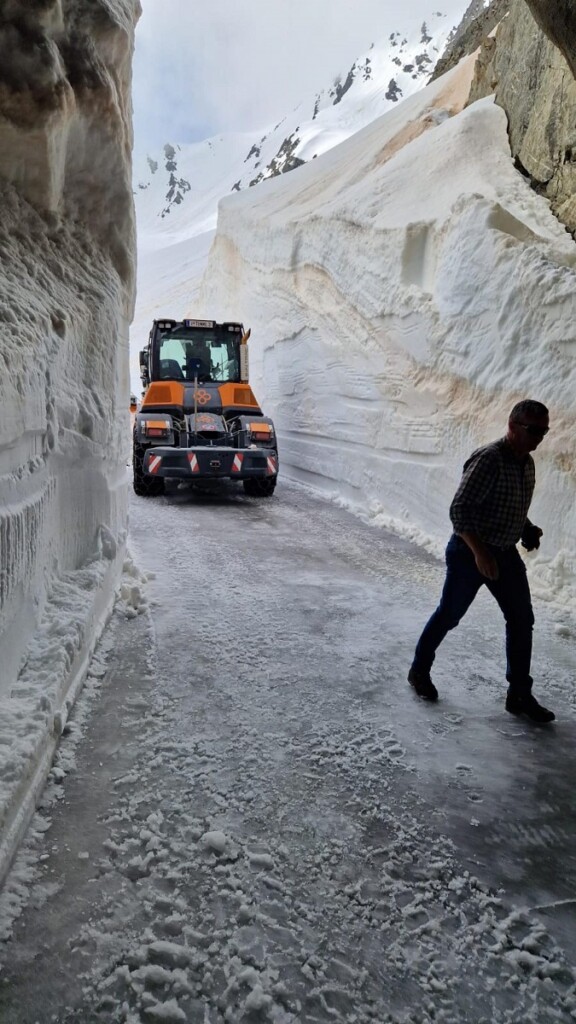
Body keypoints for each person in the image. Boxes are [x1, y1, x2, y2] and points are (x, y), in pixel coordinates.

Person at [408, 400, 554, 723]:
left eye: (544, 431)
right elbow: (459, 510)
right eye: (534, 430)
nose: (540, 438)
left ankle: (519, 694)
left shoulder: (526, 463)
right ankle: (419, 670)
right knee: (449, 614)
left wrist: (526, 529)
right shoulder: (489, 459)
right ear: (512, 426)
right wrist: (480, 553)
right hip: (468, 552)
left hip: (503, 553)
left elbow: (507, 503)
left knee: (521, 620)